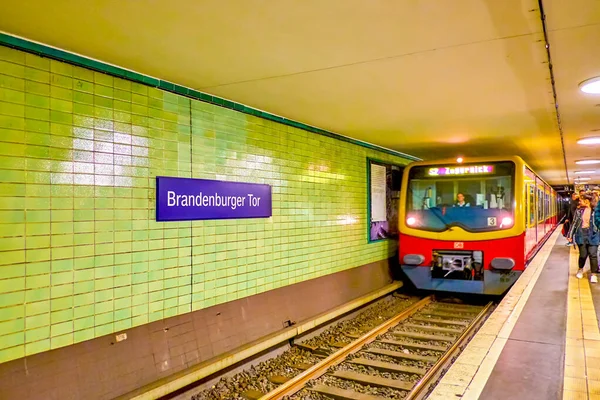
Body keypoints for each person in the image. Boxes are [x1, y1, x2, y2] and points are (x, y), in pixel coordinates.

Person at [568, 195, 600, 282]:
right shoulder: (578, 211)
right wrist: (570, 235)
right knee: (583, 255)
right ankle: (580, 269)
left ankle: (593, 274)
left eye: (581, 200)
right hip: (581, 234)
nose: (579, 202)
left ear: (587, 201)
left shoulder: (596, 210)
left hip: (594, 235)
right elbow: (574, 223)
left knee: (593, 255)